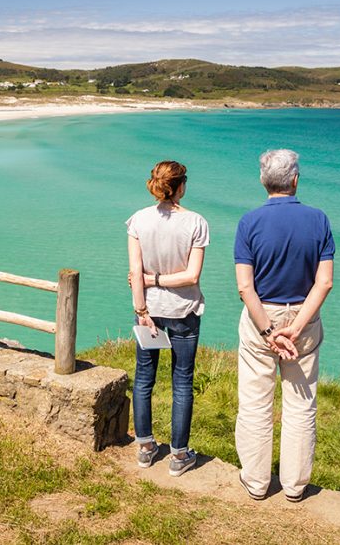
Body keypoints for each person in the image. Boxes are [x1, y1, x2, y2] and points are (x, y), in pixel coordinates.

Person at [233, 149, 334, 502]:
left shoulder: (249, 222)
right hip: (303, 322)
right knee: (301, 404)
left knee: (255, 402)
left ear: (264, 181)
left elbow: (245, 287)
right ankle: (294, 486)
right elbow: (324, 283)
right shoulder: (319, 220)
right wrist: (295, 327)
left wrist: (269, 332)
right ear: (295, 180)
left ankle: (257, 482)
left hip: (262, 319)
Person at [127, 160, 209, 477]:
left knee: (144, 378)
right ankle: (178, 456)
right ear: (180, 186)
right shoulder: (196, 223)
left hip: (148, 312)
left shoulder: (138, 220)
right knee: (182, 382)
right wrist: (158, 280)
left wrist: (142, 310)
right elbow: (191, 276)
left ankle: (146, 448)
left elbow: (136, 272)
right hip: (184, 312)